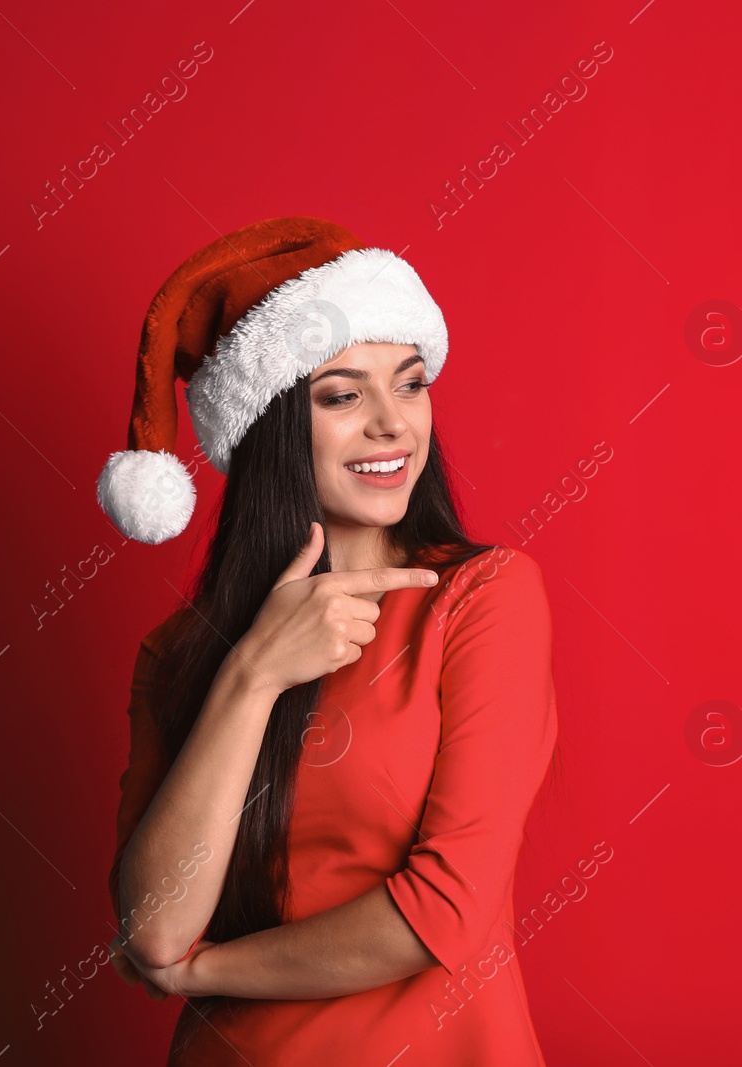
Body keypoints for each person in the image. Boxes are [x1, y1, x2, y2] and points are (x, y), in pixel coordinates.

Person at [94, 217, 558, 1064]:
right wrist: (254, 673)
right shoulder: (179, 656)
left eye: (410, 385)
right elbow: (156, 924)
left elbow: (443, 910)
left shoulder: (482, 600)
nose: (392, 424)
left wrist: (211, 969)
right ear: (269, 427)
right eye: (343, 395)